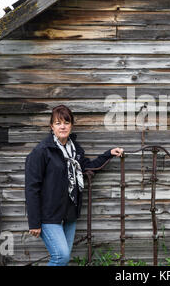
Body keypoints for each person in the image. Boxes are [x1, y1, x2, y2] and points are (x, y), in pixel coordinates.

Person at [25, 105, 124, 266]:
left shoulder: (75, 150)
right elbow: (32, 187)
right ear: (52, 127)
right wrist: (34, 222)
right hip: (49, 215)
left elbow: (87, 167)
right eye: (58, 123)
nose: (62, 126)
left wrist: (108, 154)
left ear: (71, 125)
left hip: (69, 214)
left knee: (63, 259)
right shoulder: (42, 151)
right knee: (61, 257)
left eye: (66, 122)